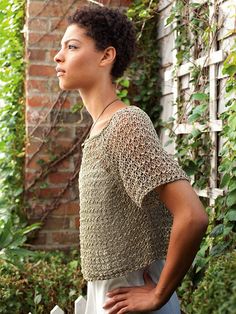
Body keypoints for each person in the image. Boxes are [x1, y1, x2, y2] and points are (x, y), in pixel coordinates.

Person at [54, 5, 208, 314]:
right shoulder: (100, 129)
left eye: (72, 47)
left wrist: (158, 296)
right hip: (110, 298)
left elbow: (192, 216)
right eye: (61, 47)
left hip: (132, 300)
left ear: (106, 56)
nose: (58, 56)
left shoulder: (125, 124)